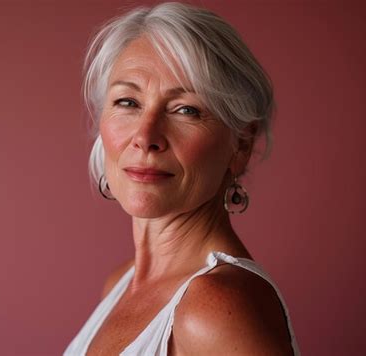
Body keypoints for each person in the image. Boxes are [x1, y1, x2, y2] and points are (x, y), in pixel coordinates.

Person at [65, 2, 299, 355]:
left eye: (186, 110)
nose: (145, 136)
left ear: (241, 145)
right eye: (128, 102)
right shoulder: (121, 283)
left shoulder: (213, 310)